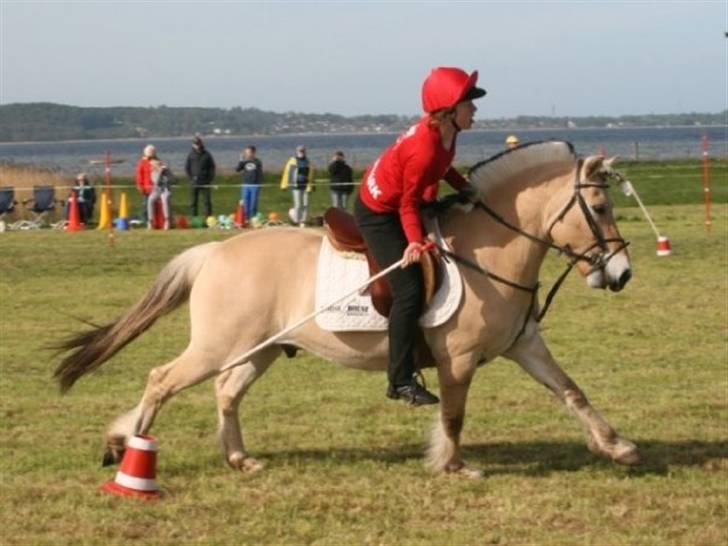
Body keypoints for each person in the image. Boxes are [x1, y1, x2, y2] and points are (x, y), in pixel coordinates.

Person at [354, 66, 486, 406]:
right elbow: (407, 203)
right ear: (450, 109)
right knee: (409, 290)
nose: (475, 110)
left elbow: (443, 167)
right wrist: (414, 241)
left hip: (403, 203)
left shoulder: (447, 133)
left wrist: (464, 187)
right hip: (379, 213)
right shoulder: (424, 147)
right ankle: (399, 380)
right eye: (469, 104)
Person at [280, 145, 314, 227]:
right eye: (300, 151)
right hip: (295, 185)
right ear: (297, 152)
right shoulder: (292, 161)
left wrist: (310, 185)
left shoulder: (308, 161)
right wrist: (284, 184)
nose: (301, 152)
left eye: (303, 151)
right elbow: (287, 173)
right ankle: (296, 221)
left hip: (306, 185)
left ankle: (303, 221)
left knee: (306, 204)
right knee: (298, 204)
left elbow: (311, 174)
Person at [185, 136, 216, 218]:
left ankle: (208, 218)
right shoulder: (191, 155)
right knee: (193, 202)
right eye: (195, 144)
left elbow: (212, 167)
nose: (197, 145)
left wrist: (210, 178)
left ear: (201, 143)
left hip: (205, 182)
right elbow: (187, 168)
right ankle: (194, 218)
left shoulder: (207, 154)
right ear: (193, 145)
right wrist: (191, 178)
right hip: (194, 182)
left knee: (206, 201)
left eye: (198, 143)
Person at [235, 145, 263, 220]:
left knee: (253, 203)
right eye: (246, 152)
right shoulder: (244, 162)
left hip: (254, 185)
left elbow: (260, 174)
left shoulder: (257, 162)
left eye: (249, 152)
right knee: (245, 203)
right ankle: (245, 218)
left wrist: (259, 184)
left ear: (253, 153)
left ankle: (253, 218)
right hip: (245, 185)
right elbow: (237, 169)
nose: (247, 154)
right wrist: (241, 160)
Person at [147, 158, 174, 230]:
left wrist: (168, 171)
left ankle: (167, 220)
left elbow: (173, 180)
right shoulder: (153, 172)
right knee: (150, 200)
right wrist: (160, 172)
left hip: (165, 190)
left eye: (159, 164)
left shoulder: (167, 171)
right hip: (156, 190)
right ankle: (150, 221)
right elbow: (156, 182)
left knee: (164, 199)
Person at [135, 144, 156, 223]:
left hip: (155, 187)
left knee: (153, 204)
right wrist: (140, 186)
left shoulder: (156, 161)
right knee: (145, 204)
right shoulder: (142, 162)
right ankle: (145, 219)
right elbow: (139, 175)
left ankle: (153, 219)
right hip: (146, 188)